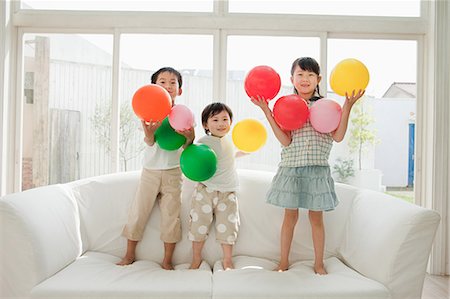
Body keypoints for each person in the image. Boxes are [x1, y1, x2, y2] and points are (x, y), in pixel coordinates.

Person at [251, 57, 364, 274]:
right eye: (300, 74)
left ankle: (319, 263)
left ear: (318, 79)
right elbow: (285, 141)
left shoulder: (328, 107)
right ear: (292, 78)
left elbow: (338, 137)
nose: (305, 79)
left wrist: (347, 106)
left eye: (310, 75)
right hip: (292, 168)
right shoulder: (285, 105)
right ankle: (283, 262)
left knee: (316, 219)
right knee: (289, 218)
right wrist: (268, 112)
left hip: (317, 169)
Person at [117, 67, 195, 269]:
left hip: (173, 172)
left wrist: (190, 138)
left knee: (171, 217)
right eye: (163, 81)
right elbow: (150, 142)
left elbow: (187, 146)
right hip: (150, 171)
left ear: (180, 90)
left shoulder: (183, 114)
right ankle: (129, 255)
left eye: (173, 82)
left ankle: (167, 261)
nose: (168, 86)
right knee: (138, 213)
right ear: (154, 86)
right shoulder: (148, 109)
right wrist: (149, 133)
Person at [188, 102, 242, 270]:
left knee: (228, 227)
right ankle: (196, 258)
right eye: (215, 119)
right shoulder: (203, 143)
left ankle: (227, 259)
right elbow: (193, 160)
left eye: (225, 119)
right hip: (206, 190)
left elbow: (231, 155)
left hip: (228, 192)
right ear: (206, 124)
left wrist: (249, 147)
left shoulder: (231, 141)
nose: (221, 123)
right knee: (198, 225)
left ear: (230, 123)